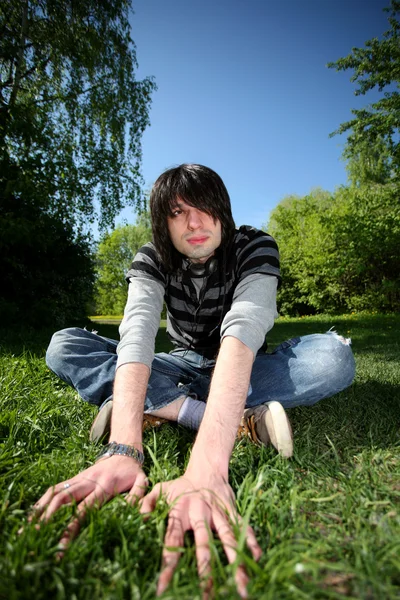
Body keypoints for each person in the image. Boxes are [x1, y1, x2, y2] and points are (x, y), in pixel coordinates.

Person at [32, 164, 355, 598]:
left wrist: (207, 468)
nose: (195, 222)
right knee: (64, 345)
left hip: (242, 364)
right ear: (163, 223)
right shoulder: (151, 258)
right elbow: (138, 332)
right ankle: (224, 418)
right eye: (178, 211)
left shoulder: (254, 246)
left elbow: (243, 329)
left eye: (204, 208)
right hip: (178, 363)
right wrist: (124, 447)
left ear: (223, 211)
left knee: (333, 357)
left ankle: (159, 407)